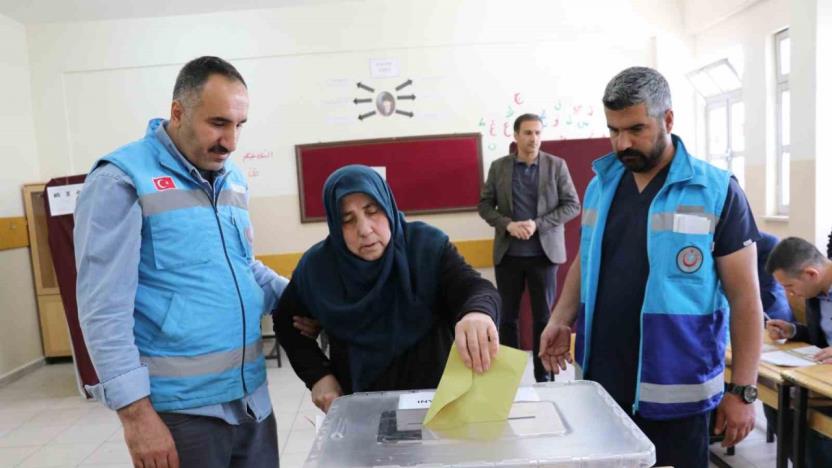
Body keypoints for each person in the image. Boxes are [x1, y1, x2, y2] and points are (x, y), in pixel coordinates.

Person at [538, 66, 763, 467]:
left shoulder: (716, 192)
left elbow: (746, 298)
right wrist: (560, 318)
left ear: (669, 120)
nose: (622, 143)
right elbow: (584, 261)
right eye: (613, 130)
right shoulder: (601, 184)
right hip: (601, 385)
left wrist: (743, 390)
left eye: (636, 129)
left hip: (677, 392)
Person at [75, 56, 287, 468]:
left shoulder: (233, 179)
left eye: (239, 125)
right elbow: (103, 310)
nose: (231, 141)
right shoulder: (120, 179)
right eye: (218, 123)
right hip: (182, 416)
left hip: (251, 402)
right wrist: (136, 417)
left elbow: (242, 269)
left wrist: (305, 299)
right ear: (178, 112)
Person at [275, 165, 500, 412]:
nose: (365, 229)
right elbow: (286, 322)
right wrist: (318, 375)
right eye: (347, 220)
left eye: (373, 212)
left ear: (388, 206)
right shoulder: (318, 268)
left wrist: (477, 313)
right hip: (361, 407)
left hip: (438, 401)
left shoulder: (426, 246)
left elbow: (474, 288)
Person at [477, 113, 580, 383]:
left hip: (544, 256)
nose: (533, 138)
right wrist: (507, 224)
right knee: (507, 318)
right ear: (515, 135)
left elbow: (572, 205)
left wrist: (538, 224)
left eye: (537, 133)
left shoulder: (557, 166)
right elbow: (485, 206)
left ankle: (543, 373)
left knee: (543, 317)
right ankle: (509, 376)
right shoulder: (499, 167)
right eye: (528, 133)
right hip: (508, 255)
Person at [765, 236, 832, 467]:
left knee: (794, 406)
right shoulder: (817, 292)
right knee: (776, 400)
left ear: (811, 274)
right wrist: (793, 330)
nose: (789, 294)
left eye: (789, 287)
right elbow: (822, 338)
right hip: (822, 376)